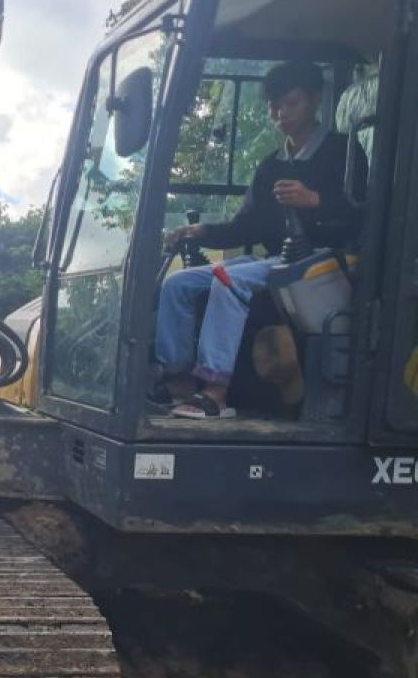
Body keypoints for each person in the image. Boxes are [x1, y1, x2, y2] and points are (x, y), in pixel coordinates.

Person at [153, 61, 367, 420]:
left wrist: (314, 200)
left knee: (229, 281)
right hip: (277, 261)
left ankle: (216, 392)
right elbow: (247, 226)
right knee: (179, 285)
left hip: (327, 261)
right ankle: (178, 383)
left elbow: (364, 210)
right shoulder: (271, 165)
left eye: (290, 103)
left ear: (315, 100)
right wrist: (202, 231)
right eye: (273, 105)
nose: (279, 113)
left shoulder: (343, 152)